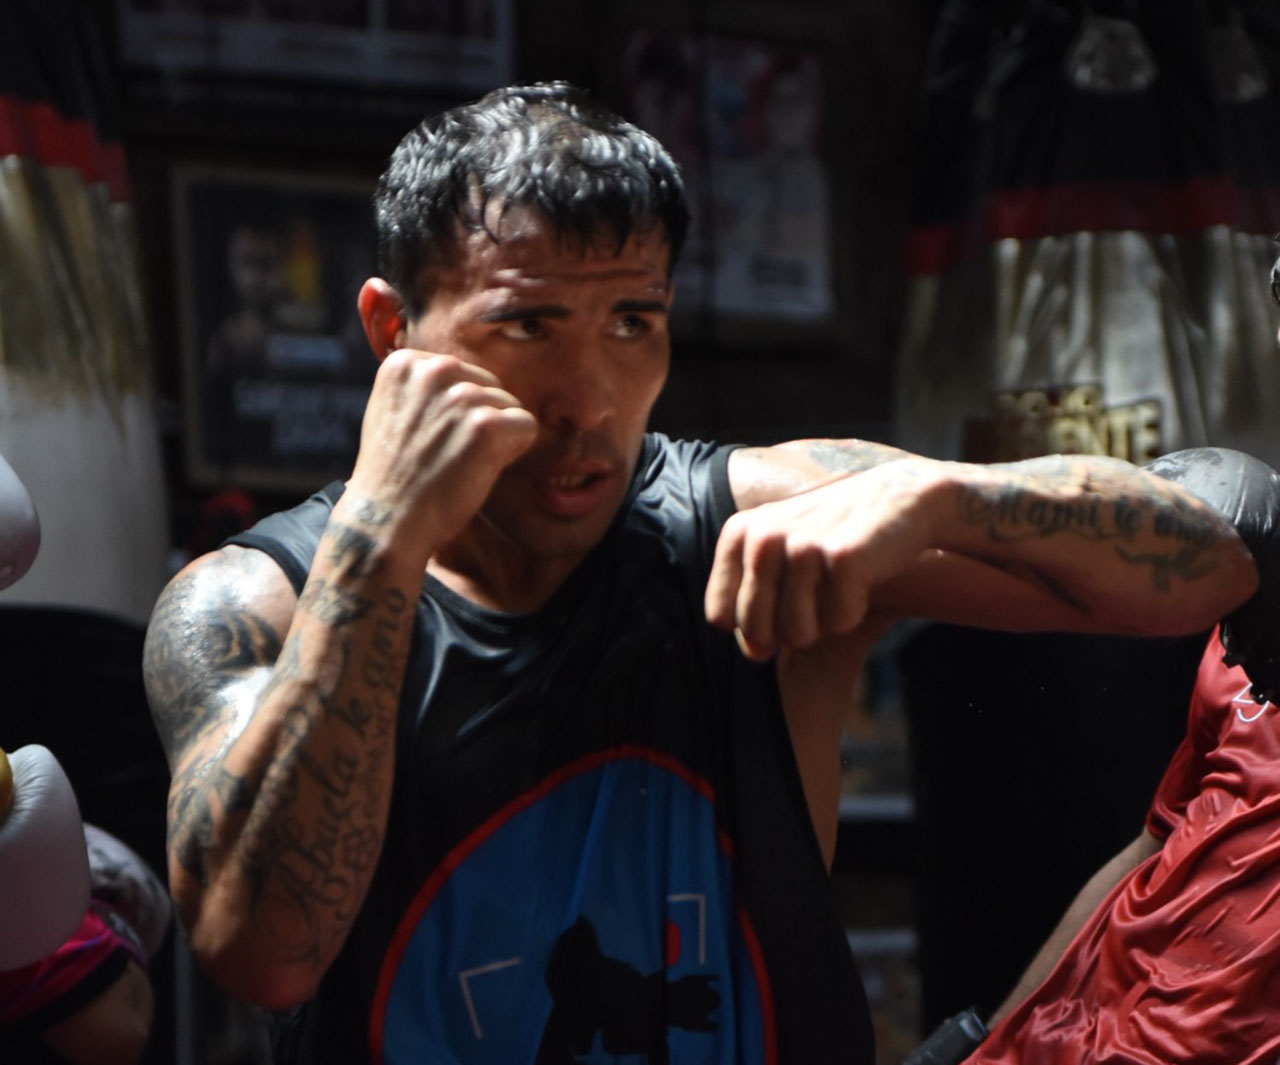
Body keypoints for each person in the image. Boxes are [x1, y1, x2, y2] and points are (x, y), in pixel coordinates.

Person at [140, 81, 1258, 1065]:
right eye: (527, 325)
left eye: (632, 321)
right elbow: (263, 950)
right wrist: (381, 536)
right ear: (394, 332)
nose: (588, 400)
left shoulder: (745, 518)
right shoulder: (249, 603)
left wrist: (942, 497)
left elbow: (1219, 555)